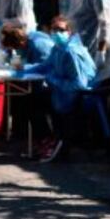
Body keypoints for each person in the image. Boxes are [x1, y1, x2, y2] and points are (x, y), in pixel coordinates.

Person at [21, 15, 96, 162]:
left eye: (61, 30)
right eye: (54, 30)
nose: (57, 33)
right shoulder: (58, 48)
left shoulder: (71, 52)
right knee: (30, 100)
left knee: (35, 103)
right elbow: (46, 66)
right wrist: (24, 69)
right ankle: (48, 140)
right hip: (61, 91)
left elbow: (79, 84)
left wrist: (53, 80)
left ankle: (53, 142)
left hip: (76, 96)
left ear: (69, 31)